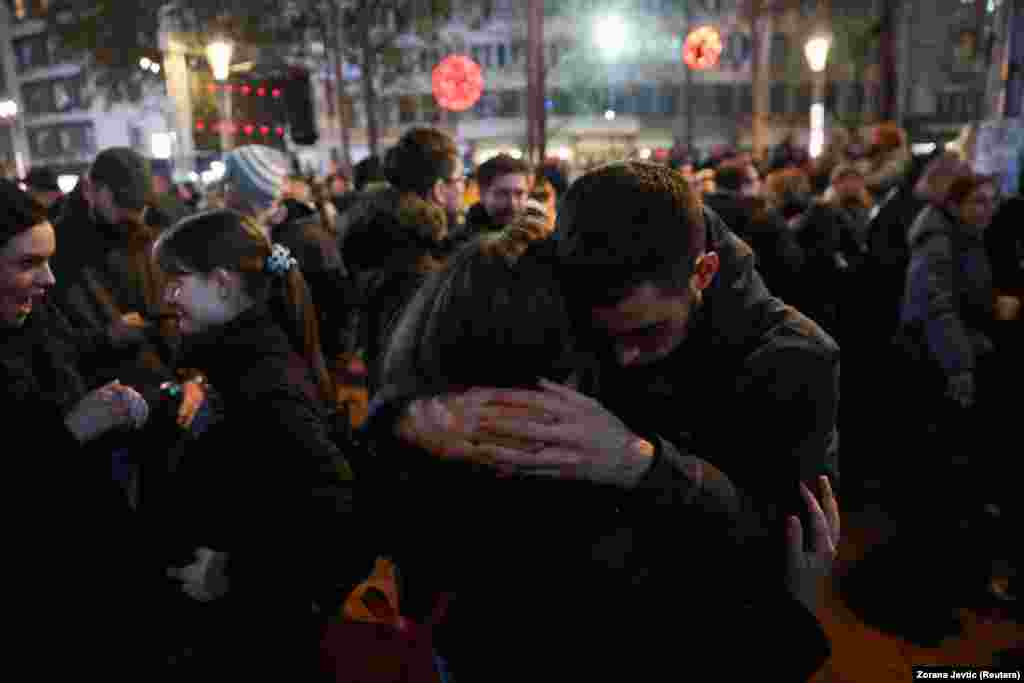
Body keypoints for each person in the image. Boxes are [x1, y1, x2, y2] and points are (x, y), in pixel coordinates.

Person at [368, 161, 840, 665]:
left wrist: (645, 464)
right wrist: (410, 414)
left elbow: (783, 551)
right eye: (600, 337)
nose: (622, 359)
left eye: (647, 334)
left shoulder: (791, 360)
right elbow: (442, 347)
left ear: (703, 273)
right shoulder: (565, 277)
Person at [153, 209, 369, 673]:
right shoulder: (241, 360)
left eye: (178, 280)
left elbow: (336, 508)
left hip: (257, 642)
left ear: (223, 282)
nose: (169, 295)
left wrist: (233, 573)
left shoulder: (262, 380)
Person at [0, 179, 164, 673]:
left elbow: (76, 357)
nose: (49, 279)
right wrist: (70, 431)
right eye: (28, 263)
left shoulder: (34, 321)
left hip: (88, 576)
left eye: (48, 260)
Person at [336, 127, 465, 392]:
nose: (465, 187)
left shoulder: (379, 238)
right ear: (440, 190)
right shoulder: (418, 265)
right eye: (461, 179)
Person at [452, 153, 531, 244]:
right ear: (482, 194)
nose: (512, 203)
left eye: (519, 193)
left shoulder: (538, 241)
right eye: (502, 193)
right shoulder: (457, 243)